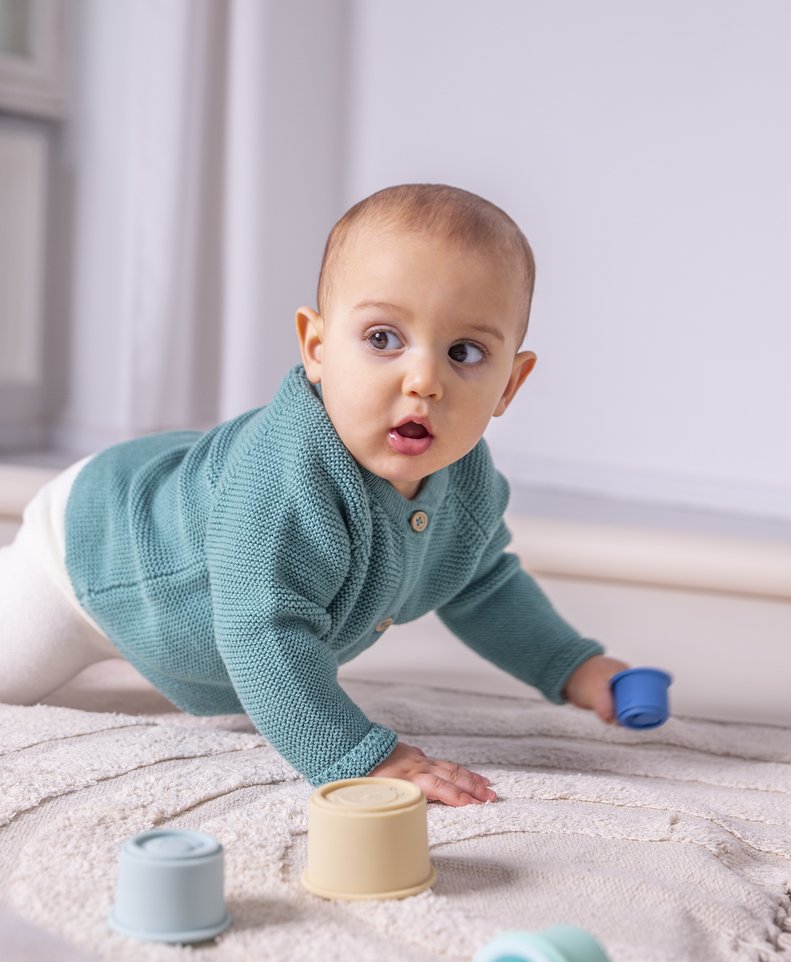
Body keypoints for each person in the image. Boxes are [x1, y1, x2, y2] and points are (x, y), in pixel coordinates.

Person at [0, 183, 629, 806]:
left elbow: (481, 583)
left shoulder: (467, 484)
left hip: (171, 569)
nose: (424, 380)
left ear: (509, 385)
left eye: (465, 352)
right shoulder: (281, 482)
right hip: (91, 555)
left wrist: (571, 666)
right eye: (383, 338)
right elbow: (261, 629)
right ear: (317, 348)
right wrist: (361, 756)